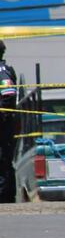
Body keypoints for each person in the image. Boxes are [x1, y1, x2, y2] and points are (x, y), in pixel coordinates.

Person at [0, 40, 18, 203]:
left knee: (3, 160)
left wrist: (2, 114)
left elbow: (8, 95)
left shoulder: (2, 70)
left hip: (3, 126)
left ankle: (5, 198)